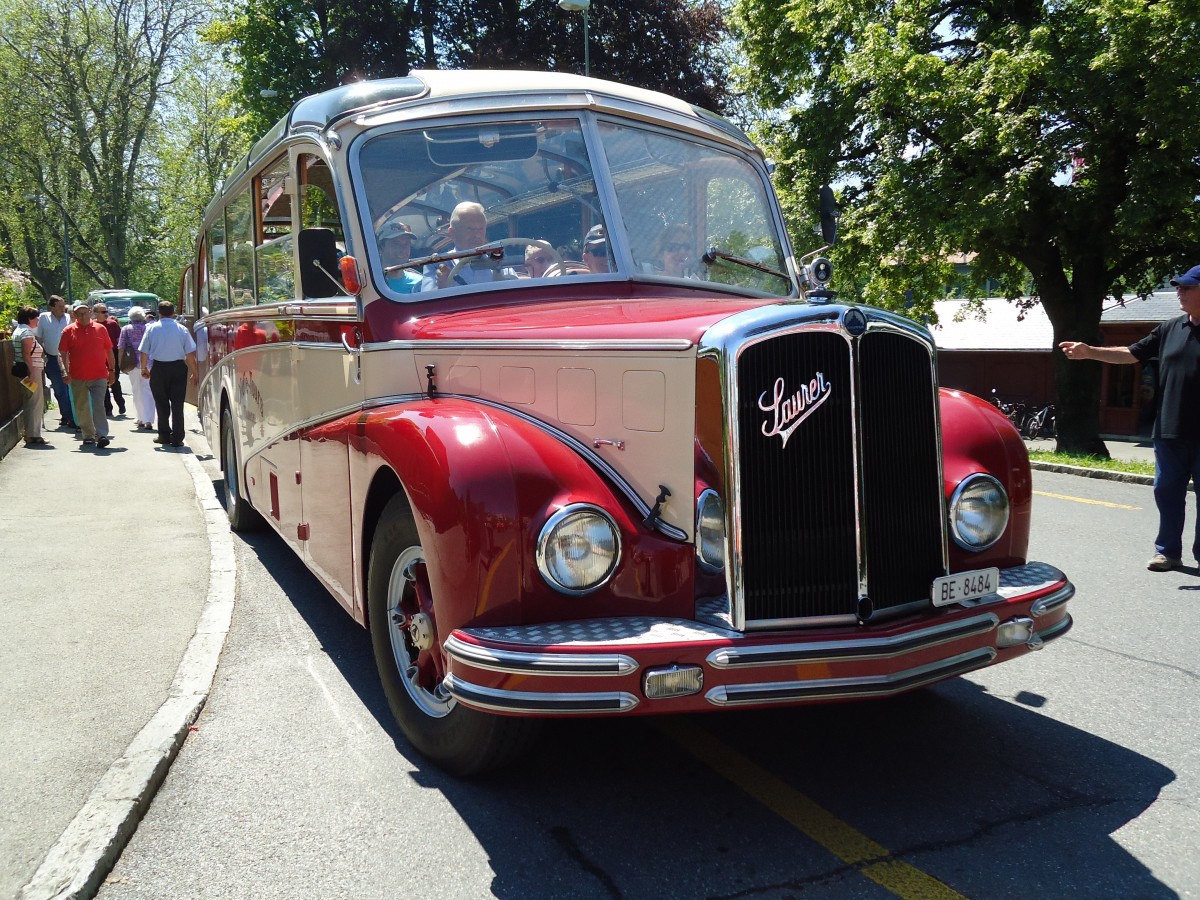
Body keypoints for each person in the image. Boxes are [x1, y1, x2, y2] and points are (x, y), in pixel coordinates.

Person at [1060, 263, 1200, 571]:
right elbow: (1131, 353)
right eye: (1178, 286)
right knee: (1166, 493)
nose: (1179, 291)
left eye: (1187, 287)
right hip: (1170, 429)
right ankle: (1167, 552)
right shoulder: (1170, 328)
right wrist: (1089, 352)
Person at [138, 300, 198, 449]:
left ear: (159, 312)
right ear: (173, 313)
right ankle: (177, 437)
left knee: (161, 403)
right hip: (178, 368)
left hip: (159, 368)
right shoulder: (181, 329)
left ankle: (164, 435)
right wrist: (195, 372)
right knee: (177, 404)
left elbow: (144, 351)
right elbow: (190, 354)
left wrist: (143, 368)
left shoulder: (152, 329)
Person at [58, 302, 115, 449]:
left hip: (99, 375)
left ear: (91, 312)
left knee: (98, 405)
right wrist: (64, 372)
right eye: (79, 314)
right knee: (82, 406)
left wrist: (112, 370)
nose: (83, 316)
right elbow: (62, 353)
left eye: (85, 312)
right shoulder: (68, 331)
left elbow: (109, 351)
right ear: (74, 315)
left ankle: (102, 434)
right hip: (77, 376)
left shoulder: (100, 329)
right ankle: (88, 435)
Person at [422, 202, 506, 290]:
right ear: (452, 233)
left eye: (480, 229)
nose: (477, 235)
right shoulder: (436, 264)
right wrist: (442, 287)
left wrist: (498, 272)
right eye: (470, 229)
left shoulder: (497, 259)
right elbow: (427, 300)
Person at [35, 295, 76, 430]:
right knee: (59, 389)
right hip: (52, 358)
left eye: (63, 306)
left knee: (70, 388)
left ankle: (72, 417)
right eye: (59, 307)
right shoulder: (43, 318)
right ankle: (66, 415)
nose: (62, 309)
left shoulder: (69, 318)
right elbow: (39, 338)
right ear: (51, 307)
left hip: (70, 358)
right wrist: (42, 357)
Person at [11, 306, 47, 446]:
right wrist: (32, 372)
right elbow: (27, 354)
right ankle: (34, 435)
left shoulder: (18, 330)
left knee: (29, 401)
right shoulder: (26, 333)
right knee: (35, 402)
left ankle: (30, 433)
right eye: (36, 317)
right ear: (30, 318)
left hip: (26, 370)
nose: (38, 319)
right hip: (31, 370)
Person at [118, 305, 154, 431]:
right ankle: (149, 419)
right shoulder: (148, 328)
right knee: (148, 391)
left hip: (132, 363)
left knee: (136, 391)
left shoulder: (126, 329)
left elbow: (121, 347)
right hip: (148, 363)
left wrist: (120, 363)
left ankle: (140, 418)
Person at [92, 302, 126, 417]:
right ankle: (108, 408)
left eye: (106, 311)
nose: (106, 314)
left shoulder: (112, 324)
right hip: (99, 356)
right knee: (102, 383)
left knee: (114, 380)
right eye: (103, 312)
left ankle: (121, 403)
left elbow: (119, 341)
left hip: (112, 354)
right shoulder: (92, 325)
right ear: (95, 313)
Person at [379, 220, 423, 293]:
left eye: (407, 243)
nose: (402, 249)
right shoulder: (372, 283)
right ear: (381, 246)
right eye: (396, 243)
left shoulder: (420, 283)